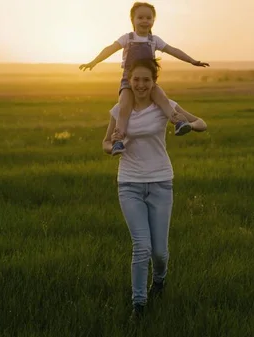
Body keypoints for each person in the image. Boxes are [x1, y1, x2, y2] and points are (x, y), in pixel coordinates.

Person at [102, 58, 207, 320]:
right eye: (136, 79)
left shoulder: (165, 107)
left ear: (153, 82)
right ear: (129, 81)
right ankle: (139, 304)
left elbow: (202, 123)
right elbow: (105, 142)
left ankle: (159, 281)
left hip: (161, 183)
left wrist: (187, 124)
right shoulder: (119, 110)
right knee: (141, 247)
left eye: (146, 80)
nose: (140, 85)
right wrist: (114, 148)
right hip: (129, 184)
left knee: (159, 252)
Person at [82, 1, 209, 155]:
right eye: (140, 17)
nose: (144, 21)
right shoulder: (127, 38)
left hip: (150, 82)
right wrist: (94, 61)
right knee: (124, 109)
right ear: (132, 20)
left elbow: (173, 50)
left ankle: (179, 122)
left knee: (162, 99)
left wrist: (192, 61)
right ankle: (118, 141)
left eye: (148, 18)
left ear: (153, 21)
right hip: (129, 82)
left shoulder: (154, 40)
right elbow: (110, 49)